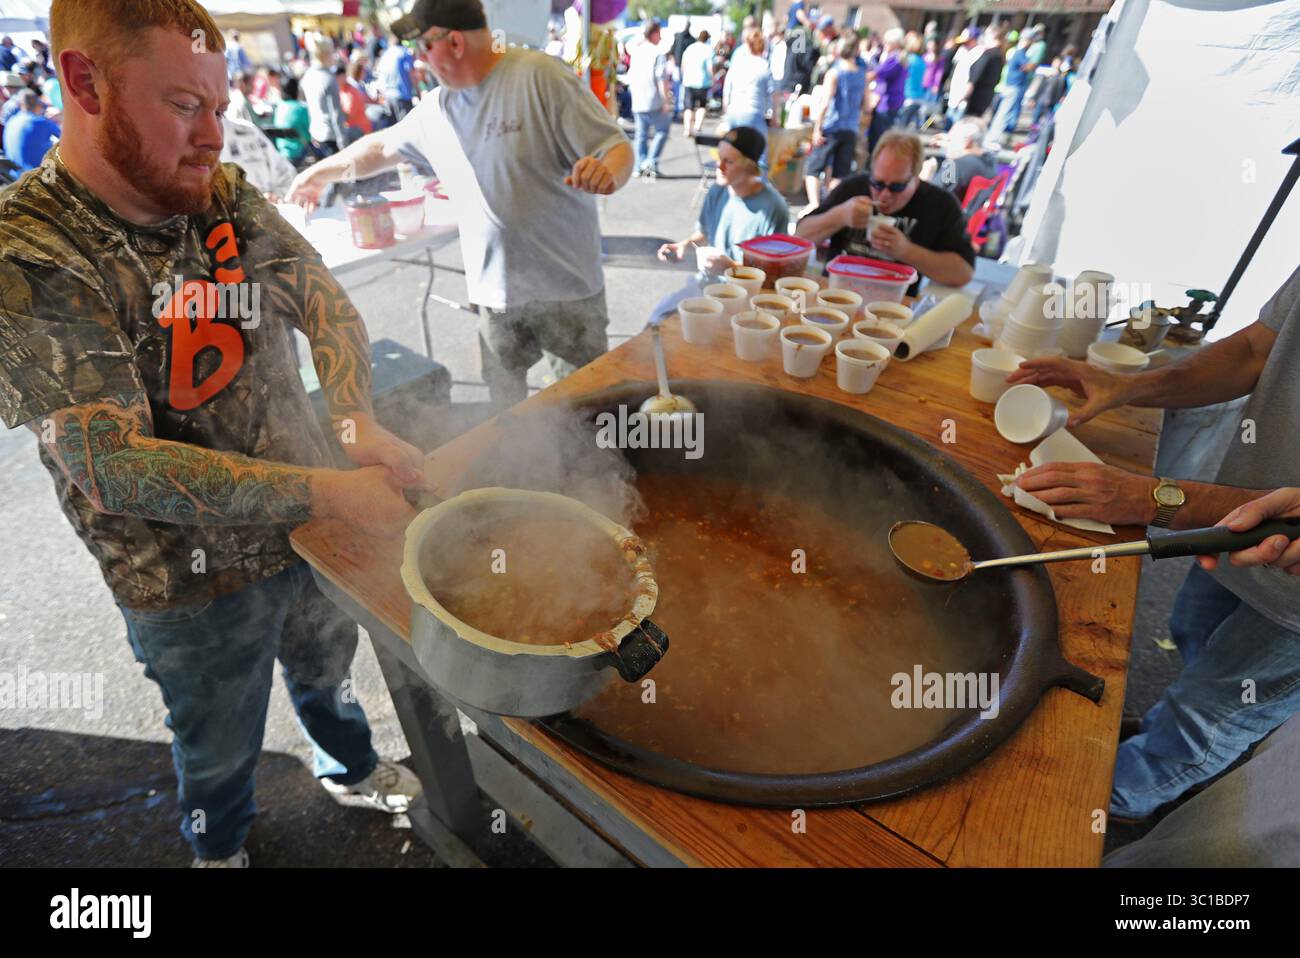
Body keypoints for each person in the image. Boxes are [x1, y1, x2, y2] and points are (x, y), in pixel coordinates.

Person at [0, 0, 426, 868]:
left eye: (220, 109)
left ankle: (347, 765)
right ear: (85, 83)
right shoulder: (30, 249)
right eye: (185, 107)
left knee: (327, 670)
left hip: (310, 528)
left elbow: (322, 296)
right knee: (217, 733)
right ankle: (221, 844)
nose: (213, 138)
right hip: (181, 580)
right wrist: (329, 487)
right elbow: (109, 465)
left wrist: (353, 420)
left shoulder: (218, 191)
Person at [1004, 265, 1300, 822]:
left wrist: (1158, 500)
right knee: (1194, 633)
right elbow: (1255, 351)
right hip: (1233, 535)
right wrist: (1130, 387)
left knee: (1210, 718)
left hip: (1295, 600)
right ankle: (1168, 725)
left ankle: (1097, 805)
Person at [287, 0, 633, 408]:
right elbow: (381, 147)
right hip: (495, 295)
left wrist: (608, 171)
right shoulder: (439, 106)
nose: (419, 61)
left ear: (452, 41)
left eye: (423, 47)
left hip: (567, 290)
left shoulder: (539, 76)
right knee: (508, 415)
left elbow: (616, 147)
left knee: (587, 406)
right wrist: (319, 173)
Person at [796, 130, 975, 295]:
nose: (885, 194)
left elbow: (963, 273)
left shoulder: (940, 204)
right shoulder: (853, 188)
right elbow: (798, 239)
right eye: (878, 184)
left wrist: (906, 251)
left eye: (897, 186)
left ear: (915, 177)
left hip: (894, 303)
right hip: (837, 295)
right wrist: (840, 216)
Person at [657, 125, 788, 273]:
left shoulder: (773, 208)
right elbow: (704, 233)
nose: (719, 167)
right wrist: (684, 245)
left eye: (729, 161)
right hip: (710, 283)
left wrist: (731, 268)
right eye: (719, 158)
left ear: (749, 166)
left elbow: (774, 268)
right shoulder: (717, 191)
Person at [804, 36, 865, 210]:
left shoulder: (835, 72)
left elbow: (825, 103)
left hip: (832, 126)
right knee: (840, 172)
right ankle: (831, 204)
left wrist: (817, 128)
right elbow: (866, 104)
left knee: (814, 168)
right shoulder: (861, 74)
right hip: (850, 128)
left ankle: (815, 204)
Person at [628, 21, 672, 179]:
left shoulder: (636, 52)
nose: (660, 38)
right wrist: (666, 100)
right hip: (653, 99)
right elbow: (661, 79)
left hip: (638, 99)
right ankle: (650, 162)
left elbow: (631, 76)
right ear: (653, 33)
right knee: (662, 130)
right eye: (659, 34)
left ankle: (639, 165)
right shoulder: (657, 53)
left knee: (641, 134)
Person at [722, 27, 774, 154]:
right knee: (759, 155)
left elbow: (726, 92)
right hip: (753, 114)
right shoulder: (764, 65)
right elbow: (771, 94)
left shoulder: (737, 64)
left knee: (734, 153)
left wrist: (726, 114)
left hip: (734, 113)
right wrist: (774, 116)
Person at [924, 116, 998, 205]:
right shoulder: (990, 161)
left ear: (967, 141)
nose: (948, 145)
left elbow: (928, 198)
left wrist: (927, 173)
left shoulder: (956, 165)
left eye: (951, 139)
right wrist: (951, 144)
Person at [300, 37, 348, 155]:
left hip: (316, 132)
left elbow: (309, 107)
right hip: (330, 136)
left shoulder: (308, 76)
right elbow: (336, 114)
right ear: (326, 55)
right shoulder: (328, 79)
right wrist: (343, 143)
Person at [865, 27, 907, 154]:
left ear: (895, 44)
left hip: (886, 103)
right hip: (890, 101)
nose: (885, 44)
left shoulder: (895, 59)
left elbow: (876, 74)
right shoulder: (897, 57)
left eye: (888, 42)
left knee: (877, 138)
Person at [991, 29, 1035, 140]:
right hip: (1013, 86)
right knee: (1004, 114)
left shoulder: (1019, 53)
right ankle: (994, 138)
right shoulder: (1019, 53)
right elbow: (1027, 67)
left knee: (1004, 113)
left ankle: (995, 137)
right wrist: (1031, 66)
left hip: (1010, 86)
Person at [2, 89, 60, 171]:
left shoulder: (11, 121)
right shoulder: (39, 122)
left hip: (16, 176)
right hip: (40, 176)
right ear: (38, 105)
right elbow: (65, 137)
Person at [961, 28, 1005, 120]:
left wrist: (961, 97)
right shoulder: (999, 55)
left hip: (975, 98)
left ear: (992, 36)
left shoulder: (988, 55)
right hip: (986, 97)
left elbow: (974, 79)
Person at [680, 29, 714, 139]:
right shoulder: (708, 50)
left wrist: (684, 76)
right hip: (703, 82)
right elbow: (710, 67)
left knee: (688, 107)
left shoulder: (690, 48)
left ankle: (687, 129)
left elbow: (683, 64)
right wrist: (712, 78)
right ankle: (697, 127)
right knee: (701, 106)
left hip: (689, 81)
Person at [377, 31, 415, 123]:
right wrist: (417, 91)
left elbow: (380, 75)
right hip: (402, 95)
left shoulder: (385, 55)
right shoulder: (404, 52)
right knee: (408, 127)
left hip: (388, 97)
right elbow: (411, 73)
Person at [272, 74, 311, 162]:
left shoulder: (279, 108)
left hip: (281, 151)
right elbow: (308, 134)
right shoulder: (301, 108)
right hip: (299, 152)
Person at [944, 28, 979, 125]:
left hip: (964, 95)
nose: (964, 44)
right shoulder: (962, 50)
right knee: (948, 120)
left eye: (966, 41)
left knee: (956, 123)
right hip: (954, 92)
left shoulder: (976, 53)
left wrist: (964, 95)